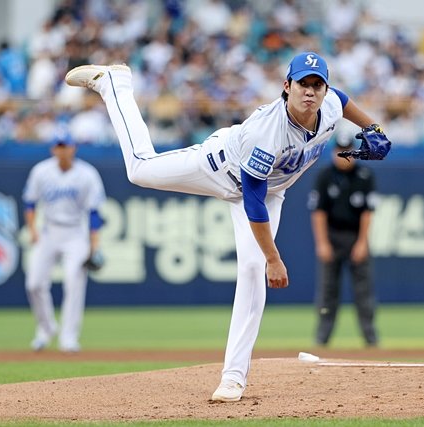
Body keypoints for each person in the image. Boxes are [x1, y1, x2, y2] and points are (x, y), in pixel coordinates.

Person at [64, 51, 390, 401]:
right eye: (302, 84)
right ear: (287, 86)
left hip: (272, 192)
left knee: (251, 271)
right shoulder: (268, 131)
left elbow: (342, 100)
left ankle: (233, 377)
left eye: (317, 85)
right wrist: (274, 257)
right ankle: (116, 84)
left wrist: (373, 127)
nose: (309, 92)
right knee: (140, 170)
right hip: (222, 169)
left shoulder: (330, 107)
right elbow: (252, 199)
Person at [22, 130, 106, 353]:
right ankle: (46, 329)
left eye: (66, 145)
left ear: (73, 148)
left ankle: (68, 337)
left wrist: (93, 244)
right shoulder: (41, 171)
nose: (62, 150)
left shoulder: (87, 174)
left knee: (74, 283)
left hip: (75, 234)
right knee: (34, 284)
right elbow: (29, 203)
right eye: (58, 146)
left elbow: (94, 212)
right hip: (48, 232)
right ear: (53, 149)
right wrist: (32, 229)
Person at [308, 138, 379, 348]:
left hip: (355, 236)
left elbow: (367, 213)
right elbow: (318, 213)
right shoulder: (325, 176)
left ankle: (370, 339)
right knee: (328, 291)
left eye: (348, 150)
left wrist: (362, 242)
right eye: (340, 150)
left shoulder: (364, 176)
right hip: (332, 236)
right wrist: (322, 243)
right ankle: (322, 338)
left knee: (363, 291)